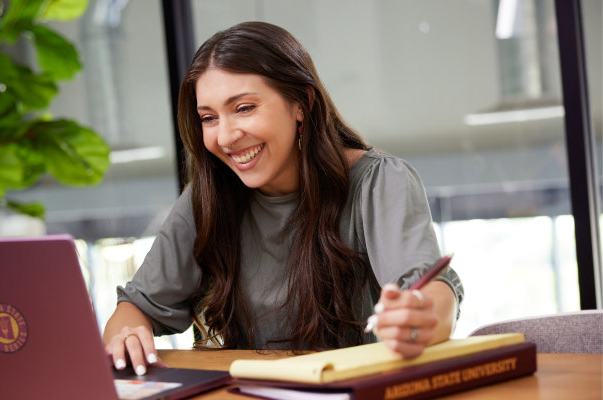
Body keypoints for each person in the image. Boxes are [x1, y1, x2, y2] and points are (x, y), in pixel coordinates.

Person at [102, 21, 464, 376]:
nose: (225, 137)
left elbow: (432, 295)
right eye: (209, 118)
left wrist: (420, 316)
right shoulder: (208, 198)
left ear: (301, 103)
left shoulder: (379, 182)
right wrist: (128, 335)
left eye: (244, 108)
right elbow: (134, 308)